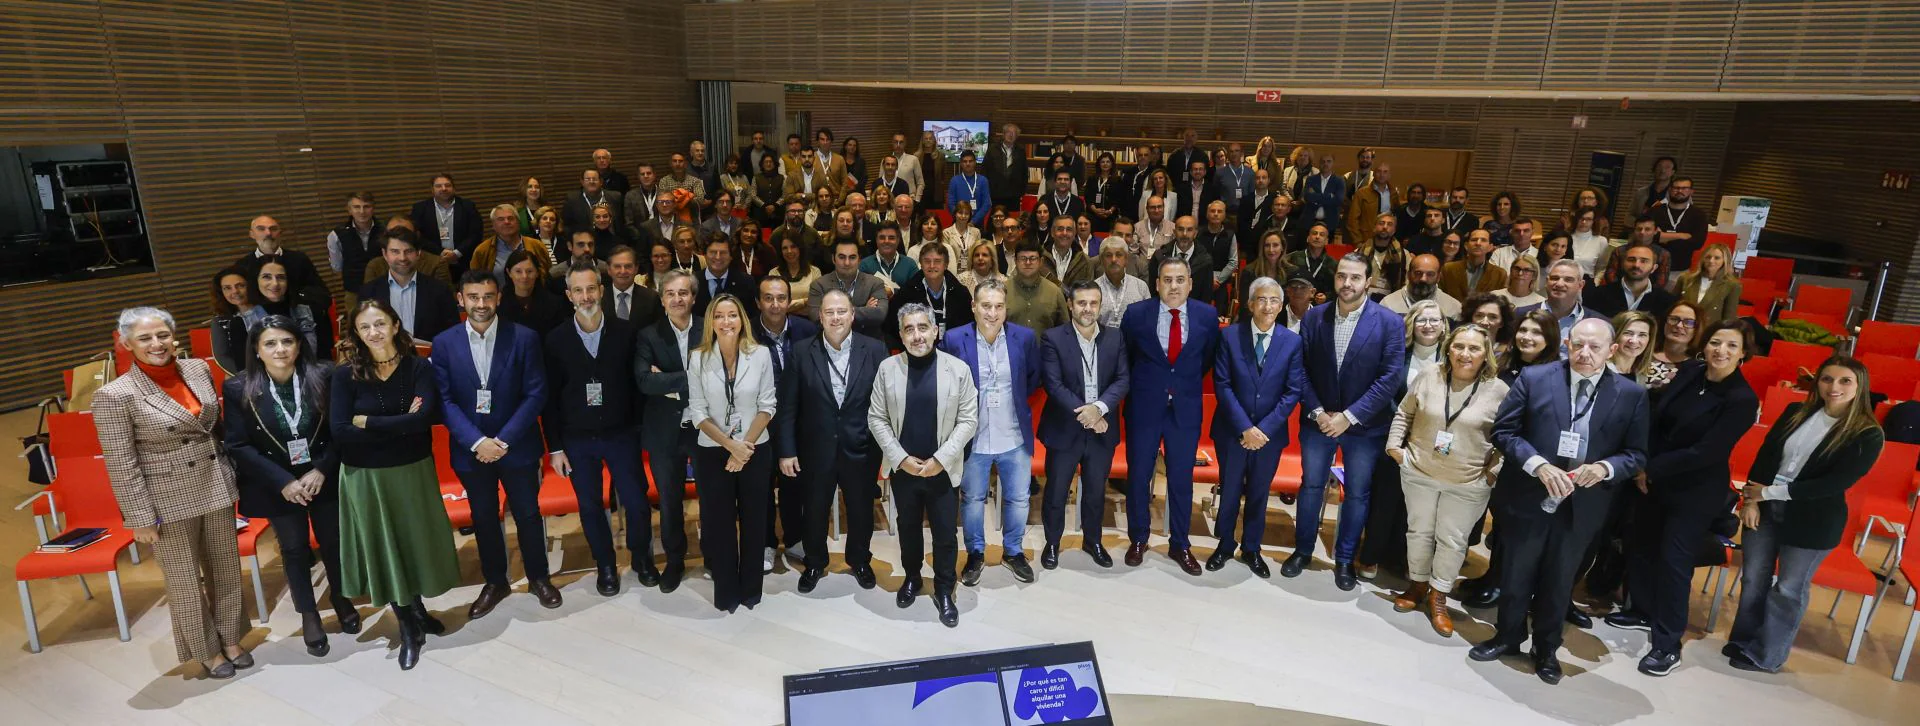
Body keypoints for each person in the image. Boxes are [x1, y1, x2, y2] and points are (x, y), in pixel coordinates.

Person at [1470, 318, 1649, 685]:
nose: (1585, 353)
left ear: (1612, 350)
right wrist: (1537, 464)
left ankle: (1546, 649)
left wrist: (1604, 467)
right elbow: (1504, 431)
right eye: (1578, 344)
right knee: (1516, 571)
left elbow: (1636, 454)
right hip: (1529, 494)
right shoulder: (1536, 378)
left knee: (1560, 580)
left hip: (1582, 505)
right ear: (1567, 343)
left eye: (1595, 347)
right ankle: (1507, 636)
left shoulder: (1632, 395)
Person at [95, 307, 250, 678]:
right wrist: (140, 517)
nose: (156, 344)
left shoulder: (197, 369)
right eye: (145, 338)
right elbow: (120, 462)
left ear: (173, 336)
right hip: (166, 499)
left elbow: (213, 429)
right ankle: (207, 650)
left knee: (226, 568)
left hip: (214, 483)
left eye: (162, 335)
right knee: (183, 581)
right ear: (126, 343)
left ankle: (230, 637)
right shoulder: (115, 395)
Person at [1604, 319, 1759, 676]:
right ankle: (1642, 609)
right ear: (1704, 345)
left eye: (1731, 346)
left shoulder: (1742, 398)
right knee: (1640, 545)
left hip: (1695, 489)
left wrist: (1650, 470)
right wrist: (1644, 463)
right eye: (1716, 342)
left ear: (1743, 354)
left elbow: (1706, 451)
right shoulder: (1691, 371)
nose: (1721, 351)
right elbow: (1657, 418)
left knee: (1674, 563)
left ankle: (1667, 643)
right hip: (1654, 476)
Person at [1726, 356, 1884, 673]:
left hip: (1813, 520)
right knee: (1754, 578)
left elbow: (1835, 482)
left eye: (1844, 381)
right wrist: (1751, 501)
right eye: (1827, 379)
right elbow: (1766, 457)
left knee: (1788, 589)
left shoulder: (1867, 433)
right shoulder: (1796, 413)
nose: (1834, 387)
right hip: (1765, 507)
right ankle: (1744, 639)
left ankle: (1767, 656)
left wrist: (1767, 493)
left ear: (1859, 387)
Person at [330, 299, 456, 670]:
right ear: (356, 332)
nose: (374, 333)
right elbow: (340, 432)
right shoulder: (344, 375)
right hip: (365, 476)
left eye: (380, 324)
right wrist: (399, 424)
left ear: (396, 325)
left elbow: (424, 421)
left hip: (412, 469)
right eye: (365, 327)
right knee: (385, 545)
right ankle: (406, 625)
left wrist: (366, 422)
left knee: (412, 541)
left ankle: (417, 609)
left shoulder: (418, 368)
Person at [223, 315, 357, 657]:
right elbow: (238, 445)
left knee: (334, 542)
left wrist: (321, 470)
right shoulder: (239, 387)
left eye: (287, 341)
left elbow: (340, 429)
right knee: (295, 549)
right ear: (257, 349)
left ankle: (341, 599)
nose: (280, 349)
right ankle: (309, 614)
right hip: (277, 483)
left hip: (321, 475)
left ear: (300, 345)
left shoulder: (325, 375)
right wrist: (284, 482)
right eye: (270, 343)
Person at [430, 271, 554, 618]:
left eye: (487, 296)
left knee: (528, 515)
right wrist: (477, 442)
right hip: (471, 452)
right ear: (461, 299)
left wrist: (502, 440)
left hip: (517, 445)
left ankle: (539, 578)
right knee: (483, 517)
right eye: (473, 297)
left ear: (499, 298)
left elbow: (536, 393)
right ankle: (496, 581)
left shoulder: (525, 338)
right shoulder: (444, 343)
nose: (481, 304)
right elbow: (445, 401)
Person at [1288, 253, 1405, 589]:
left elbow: (1389, 379)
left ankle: (1343, 561)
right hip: (1318, 422)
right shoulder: (1315, 318)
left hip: (1365, 427)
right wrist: (1319, 413)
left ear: (1368, 281)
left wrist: (1349, 418)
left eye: (1355, 277)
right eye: (1342, 276)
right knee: (1310, 488)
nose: (1347, 284)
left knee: (1356, 494)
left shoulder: (1389, 322)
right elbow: (1301, 371)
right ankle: (1302, 551)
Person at [1386, 323, 1508, 637]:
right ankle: (1417, 586)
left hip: (1467, 482)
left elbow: (1509, 438)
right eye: (1459, 346)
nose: (1465, 354)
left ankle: (1439, 597)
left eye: (1474, 348)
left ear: (1486, 355)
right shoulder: (1429, 376)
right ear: (1448, 348)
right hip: (1420, 472)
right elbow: (1404, 412)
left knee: (1452, 541)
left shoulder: (1499, 390)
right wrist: (1395, 448)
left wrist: (1492, 473)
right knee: (1419, 532)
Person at [541, 266, 648, 595]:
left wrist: (640, 431)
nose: (585, 296)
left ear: (601, 291)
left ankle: (642, 557)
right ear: (569, 295)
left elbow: (637, 387)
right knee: (589, 505)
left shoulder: (627, 332)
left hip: (621, 433)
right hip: (577, 438)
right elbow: (550, 398)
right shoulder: (555, 339)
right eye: (578, 291)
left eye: (591, 289)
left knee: (636, 499)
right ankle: (605, 565)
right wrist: (555, 447)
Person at [872, 303, 976, 626]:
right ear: (901, 335)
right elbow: (876, 418)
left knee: (945, 533)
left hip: (942, 470)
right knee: (908, 527)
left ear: (935, 331)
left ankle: (945, 587)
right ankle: (913, 577)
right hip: (904, 469)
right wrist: (900, 459)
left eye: (922, 328)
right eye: (909, 329)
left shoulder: (958, 370)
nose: (917, 335)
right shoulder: (887, 369)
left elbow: (968, 420)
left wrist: (940, 460)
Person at [776, 289, 887, 592]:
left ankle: (860, 560)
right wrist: (787, 451)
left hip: (861, 446)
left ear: (853, 314)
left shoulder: (875, 349)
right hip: (815, 448)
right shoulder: (800, 351)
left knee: (861, 508)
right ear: (820, 317)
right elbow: (788, 407)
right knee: (814, 508)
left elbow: (886, 403)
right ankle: (814, 562)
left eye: (842, 311)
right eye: (829, 312)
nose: (836, 317)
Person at [1120, 258, 1222, 575]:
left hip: (1185, 409)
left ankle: (1180, 544)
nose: (1174, 286)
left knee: (1181, 479)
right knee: (1138, 476)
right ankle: (1138, 538)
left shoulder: (1207, 315)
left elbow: (1206, 359)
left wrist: (1178, 384)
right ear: (1157, 283)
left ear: (1190, 283)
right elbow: (1128, 356)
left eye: (1180, 280)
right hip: (1144, 407)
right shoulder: (1137, 315)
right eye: (1167, 280)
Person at [939, 279, 1043, 584]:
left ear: (1006, 308)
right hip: (974, 436)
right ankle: (975, 554)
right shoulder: (956, 339)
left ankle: (1013, 551)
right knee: (972, 499)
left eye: (999, 306)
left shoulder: (1024, 338)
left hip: (1013, 433)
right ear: (973, 307)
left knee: (1019, 498)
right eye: (986, 305)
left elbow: (1033, 378)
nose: (992, 313)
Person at [681, 293, 777, 612]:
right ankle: (726, 592)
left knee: (753, 522)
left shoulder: (760, 354)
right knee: (719, 524)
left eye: (732, 315)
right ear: (711, 322)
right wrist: (730, 445)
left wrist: (743, 447)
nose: (726, 322)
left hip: (754, 450)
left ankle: (751, 590)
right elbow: (697, 412)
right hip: (713, 452)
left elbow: (767, 406)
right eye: (720, 316)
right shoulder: (698, 358)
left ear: (742, 320)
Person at [1206, 276, 1306, 577]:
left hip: (1269, 437)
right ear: (1250, 304)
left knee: (1260, 492)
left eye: (1274, 300)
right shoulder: (1230, 336)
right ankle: (1224, 544)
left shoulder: (1292, 342)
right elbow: (1222, 385)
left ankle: (1251, 548)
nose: (1268, 305)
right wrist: (1244, 428)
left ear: (1281, 305)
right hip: (1231, 431)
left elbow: (1292, 392)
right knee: (1230, 488)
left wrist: (1263, 430)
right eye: (1261, 299)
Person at [1033, 281, 1129, 570]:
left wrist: (1098, 410)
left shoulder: (1115, 337)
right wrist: (1087, 415)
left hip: (1102, 428)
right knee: (1056, 491)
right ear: (1071, 306)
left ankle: (1093, 540)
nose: (1087, 309)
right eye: (1082, 303)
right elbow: (1054, 384)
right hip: (1065, 428)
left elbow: (1122, 379)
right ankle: (1052, 543)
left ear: (1100, 306)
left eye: (1093, 303)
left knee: (1096, 491)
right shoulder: (1053, 338)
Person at [634, 271, 702, 592]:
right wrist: (691, 378)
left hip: (706, 429)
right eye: (670, 294)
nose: (677, 299)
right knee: (670, 502)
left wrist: (670, 381)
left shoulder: (710, 327)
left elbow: (721, 373)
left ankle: (715, 556)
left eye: (683, 293)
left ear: (693, 297)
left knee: (713, 497)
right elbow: (645, 381)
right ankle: (675, 560)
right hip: (664, 432)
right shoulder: (648, 335)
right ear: (662, 300)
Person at [754, 276, 819, 570]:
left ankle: (794, 539)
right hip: (759, 423)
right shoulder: (748, 334)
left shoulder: (806, 330)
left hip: (798, 422)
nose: (775, 304)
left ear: (789, 301)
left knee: (795, 485)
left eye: (781, 298)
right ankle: (766, 543)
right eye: (768, 298)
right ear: (758, 302)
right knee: (761, 487)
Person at [358, 229, 459, 342]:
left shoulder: (440, 290)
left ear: (418, 253)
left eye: (409, 251)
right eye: (395, 251)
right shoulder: (368, 292)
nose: (402, 258)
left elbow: (453, 332)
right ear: (385, 254)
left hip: (430, 357)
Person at [242, 256, 331, 358]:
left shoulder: (312, 311)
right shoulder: (242, 322)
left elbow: (325, 359)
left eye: (281, 277)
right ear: (255, 280)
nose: (275, 283)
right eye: (266, 277)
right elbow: (247, 370)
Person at [889, 242, 974, 344]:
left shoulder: (960, 293)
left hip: (953, 350)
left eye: (937, 261)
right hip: (917, 349)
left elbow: (969, 327)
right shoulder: (907, 293)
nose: (932, 266)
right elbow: (893, 325)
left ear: (946, 264)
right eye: (927, 261)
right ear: (920, 263)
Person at [808, 238, 891, 339]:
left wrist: (831, 312)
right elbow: (816, 317)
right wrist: (865, 309)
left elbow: (879, 314)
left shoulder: (875, 283)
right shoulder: (818, 285)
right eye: (842, 257)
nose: (847, 263)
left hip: (868, 343)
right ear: (833, 259)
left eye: (852, 257)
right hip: (831, 343)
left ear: (859, 260)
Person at [237, 215, 328, 304]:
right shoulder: (243, 265)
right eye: (261, 229)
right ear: (252, 234)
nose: (268, 233)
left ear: (280, 233)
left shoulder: (299, 259)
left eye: (273, 229)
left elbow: (319, 291)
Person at [1517, 259, 1605, 346]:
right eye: (1555, 278)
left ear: (1580, 285)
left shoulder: (1599, 323)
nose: (1559, 284)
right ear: (1547, 282)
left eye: (1568, 280)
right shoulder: (1520, 314)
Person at [1586, 241, 1676, 321]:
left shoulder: (1667, 301)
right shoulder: (1598, 294)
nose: (1636, 265)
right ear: (1622, 264)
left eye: (1644, 261)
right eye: (1631, 260)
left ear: (1654, 268)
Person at [409, 174, 482, 267]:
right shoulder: (420, 208)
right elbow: (417, 236)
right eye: (438, 186)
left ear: (453, 188)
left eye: (447, 185)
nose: (444, 189)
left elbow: (476, 234)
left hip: (464, 260)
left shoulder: (468, 206)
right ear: (432, 189)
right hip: (433, 261)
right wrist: (440, 252)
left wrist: (456, 253)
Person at [326, 191, 385, 296]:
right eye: (357, 207)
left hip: (384, 288)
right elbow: (337, 267)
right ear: (349, 210)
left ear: (373, 209)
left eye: (366, 206)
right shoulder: (336, 235)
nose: (362, 211)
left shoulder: (386, 231)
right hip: (354, 292)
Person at [498, 249, 567, 336]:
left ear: (537, 272)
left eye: (529, 271)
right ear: (509, 273)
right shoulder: (499, 303)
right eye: (518, 271)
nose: (524, 276)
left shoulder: (554, 303)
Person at [1006, 243, 1068, 333]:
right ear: (1015, 261)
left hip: (1045, 347)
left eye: (1032, 258)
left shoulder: (1055, 292)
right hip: (1010, 347)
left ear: (1041, 261)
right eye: (1023, 258)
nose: (1027, 262)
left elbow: (1065, 330)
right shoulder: (1002, 291)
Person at [693, 233, 758, 319]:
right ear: (704, 255)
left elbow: (751, 317)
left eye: (723, 253)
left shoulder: (746, 282)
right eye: (713, 252)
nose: (718, 257)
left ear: (731, 256)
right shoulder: (692, 281)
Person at [1675, 242, 1741, 324]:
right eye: (1708, 257)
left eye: (1717, 258)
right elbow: (1673, 306)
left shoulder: (1732, 285)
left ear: (1724, 261)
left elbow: (1729, 318)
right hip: (1683, 326)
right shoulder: (1685, 279)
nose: (1711, 261)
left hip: (1709, 330)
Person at [1381, 253, 1462, 320]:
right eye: (1418, 273)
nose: (1423, 279)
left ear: (1438, 277)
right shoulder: (1388, 305)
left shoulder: (1453, 308)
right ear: (1408, 275)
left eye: (1430, 274)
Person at [1652, 177, 1710, 269]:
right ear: (1670, 190)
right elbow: (1647, 237)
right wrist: (1683, 236)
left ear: (1691, 191)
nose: (1679, 191)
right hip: (1652, 267)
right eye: (1676, 188)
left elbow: (1697, 243)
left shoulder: (1699, 215)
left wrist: (1663, 237)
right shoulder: (1655, 211)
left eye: (1684, 188)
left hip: (1681, 269)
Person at [604, 244, 665, 329]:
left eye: (628, 266)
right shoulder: (600, 298)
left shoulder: (651, 298)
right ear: (609, 270)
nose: (623, 271)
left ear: (636, 268)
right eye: (617, 266)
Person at [208, 267, 255, 375]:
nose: (235, 291)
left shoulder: (267, 311)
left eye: (240, 286)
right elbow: (222, 357)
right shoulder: (220, 322)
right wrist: (247, 378)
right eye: (227, 288)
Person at [1647, 300, 1703, 388]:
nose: (1679, 325)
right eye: (1674, 319)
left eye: (1688, 322)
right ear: (1664, 322)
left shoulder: (1698, 367)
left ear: (1696, 329)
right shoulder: (1644, 352)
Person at [1440, 229, 1508, 301]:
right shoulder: (1448, 269)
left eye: (1483, 240)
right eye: (1474, 240)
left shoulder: (1499, 274)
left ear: (1490, 247)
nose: (1478, 243)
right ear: (1466, 246)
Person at [860, 222, 920, 292]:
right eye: (882, 238)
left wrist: (893, 292)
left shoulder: (910, 264)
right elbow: (861, 294)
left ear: (898, 240)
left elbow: (917, 292)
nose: (886, 241)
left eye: (891, 238)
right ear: (876, 240)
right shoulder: (865, 265)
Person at [563, 169, 624, 236]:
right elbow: (567, 226)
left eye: (594, 179)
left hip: (612, 240)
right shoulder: (572, 200)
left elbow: (621, 223)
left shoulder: (615, 197)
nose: (591, 182)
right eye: (588, 179)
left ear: (601, 182)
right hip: (584, 242)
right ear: (582, 182)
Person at [1462, 292, 1517, 367]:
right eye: (1479, 315)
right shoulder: (1459, 348)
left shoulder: (1506, 355)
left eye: (1493, 317)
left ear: (1502, 323)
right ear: (1471, 318)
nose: (1484, 322)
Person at [1608, 311, 1659, 382]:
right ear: (1615, 334)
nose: (1634, 341)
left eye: (1642, 335)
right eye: (1628, 333)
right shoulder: (1599, 371)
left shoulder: (1643, 377)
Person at [947, 150, 992, 226]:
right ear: (961, 163)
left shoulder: (983, 180)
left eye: (970, 161)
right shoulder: (954, 181)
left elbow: (986, 204)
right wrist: (961, 219)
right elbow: (951, 203)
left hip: (978, 224)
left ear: (975, 162)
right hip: (958, 223)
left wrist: (973, 221)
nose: (968, 164)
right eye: (965, 161)